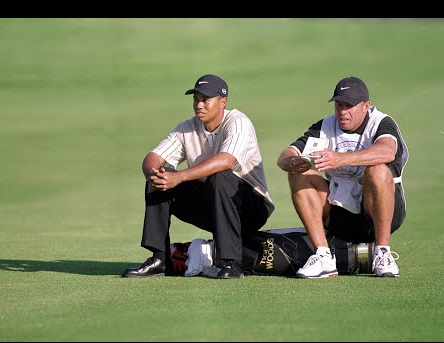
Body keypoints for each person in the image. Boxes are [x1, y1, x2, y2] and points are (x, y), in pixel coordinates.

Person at [122, 74, 275, 279]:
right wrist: (154, 174)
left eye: (205, 99)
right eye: (196, 99)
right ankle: (160, 259)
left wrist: (181, 176)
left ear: (223, 102)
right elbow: (153, 157)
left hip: (251, 207)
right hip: (214, 205)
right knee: (160, 178)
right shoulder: (187, 127)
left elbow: (226, 161)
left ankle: (231, 263)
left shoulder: (238, 122)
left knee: (220, 176)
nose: (199, 105)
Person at [276, 76, 409, 279]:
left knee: (378, 170)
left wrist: (340, 159)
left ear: (366, 106)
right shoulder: (325, 127)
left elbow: (387, 151)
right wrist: (293, 162)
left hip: (378, 215)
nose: (342, 112)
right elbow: (285, 156)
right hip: (340, 213)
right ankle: (323, 257)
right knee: (298, 174)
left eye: (349, 106)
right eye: (339, 105)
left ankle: (383, 253)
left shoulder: (381, 123)